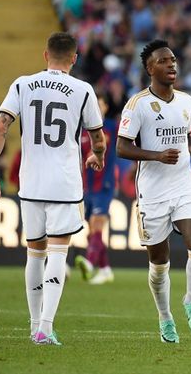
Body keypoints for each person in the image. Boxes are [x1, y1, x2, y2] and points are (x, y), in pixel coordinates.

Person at [0, 32, 105, 345]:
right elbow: (98, 137)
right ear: (74, 58)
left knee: (35, 253)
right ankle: (45, 328)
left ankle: (34, 324)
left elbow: (0, 127)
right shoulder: (83, 90)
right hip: (63, 183)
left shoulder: (22, 84)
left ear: (44, 54)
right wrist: (97, 155)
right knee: (58, 252)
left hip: (31, 182)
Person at [116, 39, 191, 344]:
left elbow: (186, 136)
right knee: (159, 264)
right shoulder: (138, 105)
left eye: (173, 59)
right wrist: (156, 156)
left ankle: (190, 300)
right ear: (150, 68)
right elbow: (122, 147)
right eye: (163, 61)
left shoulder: (187, 101)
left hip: (183, 186)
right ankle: (165, 317)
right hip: (152, 194)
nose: (171, 64)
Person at [75, 94, 118, 285]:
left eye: (99, 103)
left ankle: (90, 263)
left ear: (106, 107)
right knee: (92, 231)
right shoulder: (82, 130)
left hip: (105, 185)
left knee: (97, 223)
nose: (96, 107)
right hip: (87, 188)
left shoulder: (111, 128)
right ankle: (106, 269)